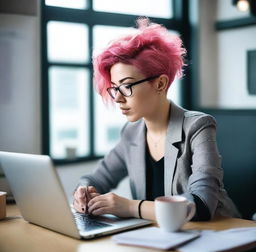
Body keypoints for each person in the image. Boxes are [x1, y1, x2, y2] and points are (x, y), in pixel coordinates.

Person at [73, 18, 240, 221]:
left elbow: (202, 204)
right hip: (160, 240)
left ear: (160, 84)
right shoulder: (131, 132)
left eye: (126, 86)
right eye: (115, 87)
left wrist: (130, 207)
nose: (117, 97)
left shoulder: (198, 127)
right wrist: (83, 191)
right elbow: (97, 178)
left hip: (218, 238)